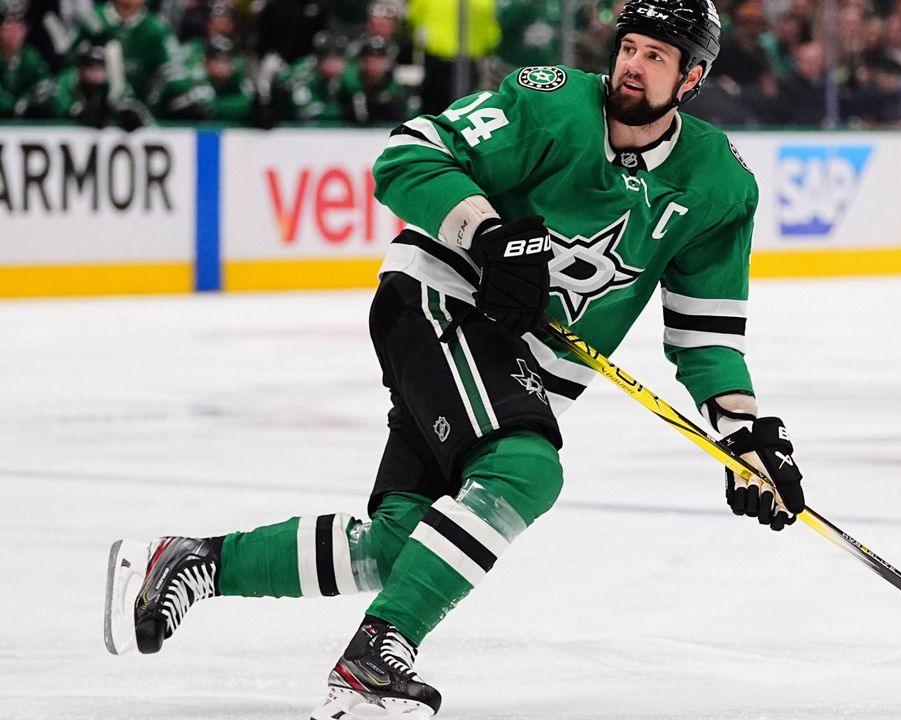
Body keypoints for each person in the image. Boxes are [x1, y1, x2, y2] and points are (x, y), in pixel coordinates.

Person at [102, 1, 806, 719]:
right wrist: (490, 234)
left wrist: (741, 436)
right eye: (631, 47)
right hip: (443, 300)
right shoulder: (552, 103)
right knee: (526, 467)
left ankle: (191, 561)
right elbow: (406, 155)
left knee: (394, 548)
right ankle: (374, 659)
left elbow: (706, 336)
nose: (633, 65)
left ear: (692, 78)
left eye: (659, 56)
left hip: (520, 361)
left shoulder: (718, 183)